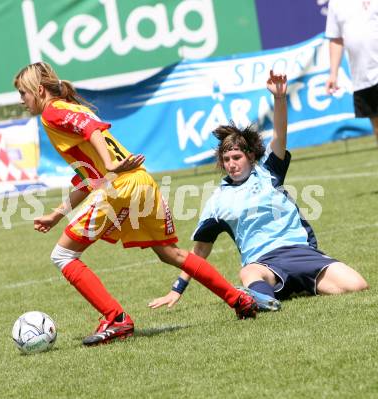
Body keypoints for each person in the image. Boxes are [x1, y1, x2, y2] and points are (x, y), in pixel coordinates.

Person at [13, 62, 257, 346]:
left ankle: (116, 319)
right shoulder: (68, 108)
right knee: (170, 254)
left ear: (39, 90)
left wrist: (110, 164)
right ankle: (239, 300)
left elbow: (93, 131)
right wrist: (57, 214)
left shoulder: (53, 111)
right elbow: (89, 178)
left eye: (23, 93)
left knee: (63, 256)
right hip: (140, 181)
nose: (22, 100)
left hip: (121, 186)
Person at [149, 71, 368, 312]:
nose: (231, 163)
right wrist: (177, 288)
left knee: (358, 285)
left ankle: (287, 289)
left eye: (236, 157)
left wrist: (280, 99)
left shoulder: (269, 172)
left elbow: (279, 135)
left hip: (301, 253)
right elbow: (200, 250)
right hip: (263, 263)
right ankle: (262, 299)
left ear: (251, 156)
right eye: (226, 159)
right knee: (248, 271)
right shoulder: (217, 202)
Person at [325, 0, 378, 143]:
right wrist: (333, 74)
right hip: (362, 77)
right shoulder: (335, 4)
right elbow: (336, 39)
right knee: (377, 127)